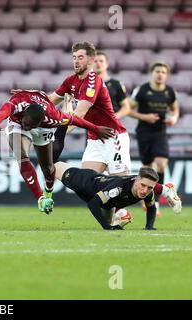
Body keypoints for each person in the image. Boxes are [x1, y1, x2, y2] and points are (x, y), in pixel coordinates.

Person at [0, 90, 114, 214]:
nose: (27, 128)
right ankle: (41, 199)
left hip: (43, 130)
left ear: (39, 123)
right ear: (25, 114)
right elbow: (5, 109)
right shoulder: (19, 105)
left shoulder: (53, 117)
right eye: (26, 124)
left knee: (48, 168)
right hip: (16, 122)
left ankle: (48, 190)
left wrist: (96, 129)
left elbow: (74, 120)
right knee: (22, 157)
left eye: (30, 126)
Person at [48, 41, 130, 176]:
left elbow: (79, 114)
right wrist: (30, 100)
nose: (76, 61)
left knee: (122, 188)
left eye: (80, 57)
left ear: (90, 60)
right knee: (86, 183)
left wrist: (57, 135)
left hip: (112, 136)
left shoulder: (93, 80)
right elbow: (51, 100)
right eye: (74, 57)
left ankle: (162, 189)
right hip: (94, 139)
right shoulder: (70, 80)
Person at [54, 161, 181, 230]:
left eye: (149, 188)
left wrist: (149, 227)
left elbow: (151, 207)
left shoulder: (147, 191)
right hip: (82, 181)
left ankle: (121, 215)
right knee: (52, 167)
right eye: (142, 185)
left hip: (107, 202)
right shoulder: (119, 188)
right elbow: (93, 203)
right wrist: (106, 227)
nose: (145, 190)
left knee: (109, 218)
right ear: (136, 180)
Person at [129, 61, 180, 213]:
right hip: (144, 132)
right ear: (152, 73)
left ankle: (157, 202)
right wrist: (145, 117)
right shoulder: (142, 90)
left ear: (167, 75)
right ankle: (146, 201)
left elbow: (175, 110)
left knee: (162, 164)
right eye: (157, 71)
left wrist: (174, 119)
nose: (160, 74)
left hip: (160, 132)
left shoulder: (170, 92)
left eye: (163, 72)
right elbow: (128, 110)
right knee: (147, 168)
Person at [94, 51, 131, 120]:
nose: (98, 63)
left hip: (111, 126)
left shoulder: (116, 84)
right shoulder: (85, 84)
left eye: (101, 61)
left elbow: (126, 108)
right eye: (95, 61)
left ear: (107, 64)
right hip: (92, 126)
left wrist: (114, 117)